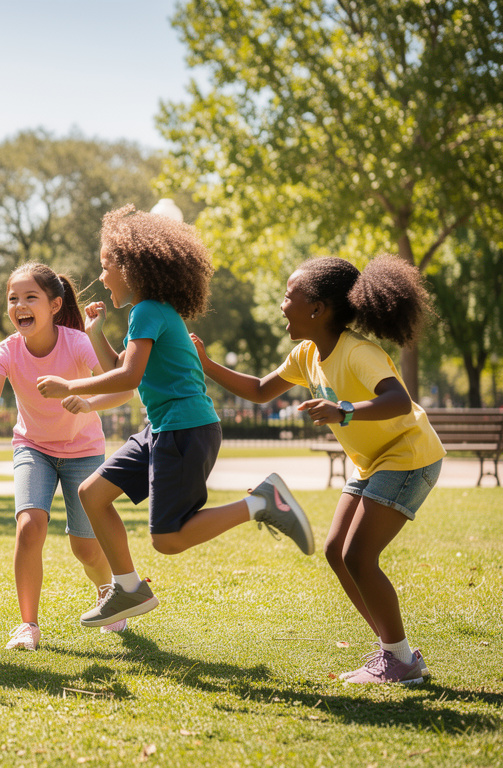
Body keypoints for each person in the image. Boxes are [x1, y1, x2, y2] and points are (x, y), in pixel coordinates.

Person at [36, 204, 314, 631]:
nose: (102, 277)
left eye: (106, 266)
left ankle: (262, 502)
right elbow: (124, 370)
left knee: (167, 539)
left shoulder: (148, 311)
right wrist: (96, 335)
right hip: (163, 428)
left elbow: (128, 377)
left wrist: (69, 386)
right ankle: (128, 587)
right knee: (91, 494)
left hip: (184, 430)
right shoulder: (152, 311)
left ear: (130, 267)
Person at [192, 255, 443, 685]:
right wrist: (207, 364)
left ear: (317, 309)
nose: (282, 305)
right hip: (373, 460)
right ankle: (396, 653)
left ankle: (399, 659)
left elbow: (399, 401)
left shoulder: (358, 352)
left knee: (358, 556)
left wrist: (343, 410)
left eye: (289, 295)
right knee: (336, 551)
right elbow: (260, 390)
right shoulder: (306, 354)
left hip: (408, 455)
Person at [0, 263, 133, 651]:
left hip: (83, 451)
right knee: (29, 526)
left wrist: (84, 399)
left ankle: (107, 590)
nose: (19, 306)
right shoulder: (6, 351)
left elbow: (123, 390)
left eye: (30, 297)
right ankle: (28, 626)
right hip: (33, 448)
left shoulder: (77, 343)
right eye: (13, 299)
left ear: (55, 305)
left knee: (85, 548)